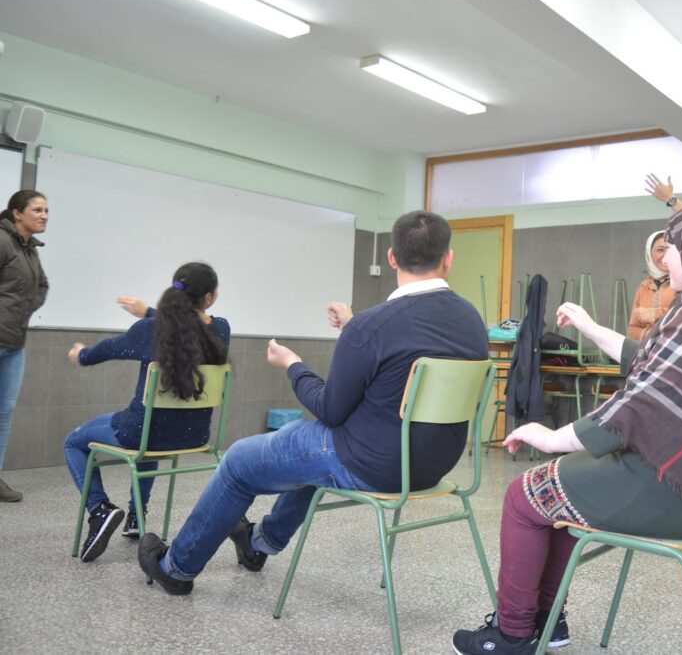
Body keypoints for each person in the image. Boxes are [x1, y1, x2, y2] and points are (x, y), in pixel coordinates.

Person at [452, 203, 682, 655]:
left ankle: (512, 634)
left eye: (673, 249)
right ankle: (549, 622)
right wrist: (590, 328)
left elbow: (637, 405)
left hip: (678, 493)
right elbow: (652, 362)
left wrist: (550, 438)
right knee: (567, 489)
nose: (665, 259)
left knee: (526, 494)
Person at [137, 210, 488, 596]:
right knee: (300, 442)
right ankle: (259, 544)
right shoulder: (471, 319)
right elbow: (405, 353)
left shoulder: (372, 326)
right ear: (448, 258)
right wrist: (355, 327)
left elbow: (330, 409)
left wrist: (292, 364)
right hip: (432, 466)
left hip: (374, 465)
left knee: (239, 460)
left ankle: (177, 567)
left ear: (391, 257)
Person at [63, 263, 230, 561]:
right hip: (195, 436)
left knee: (75, 442)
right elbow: (191, 327)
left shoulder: (149, 331)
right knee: (150, 434)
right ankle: (135, 518)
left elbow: (107, 350)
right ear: (209, 297)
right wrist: (149, 312)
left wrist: (82, 355)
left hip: (143, 433)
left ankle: (100, 509)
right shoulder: (221, 329)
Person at [0, 190, 49, 503]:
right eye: (37, 209)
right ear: (17, 213)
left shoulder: (30, 248)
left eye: (46, 210)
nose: (44, 215)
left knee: (4, 413)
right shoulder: (3, 241)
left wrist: (26, 307)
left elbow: (41, 285)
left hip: (15, 343)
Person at [626, 230, 672, 340]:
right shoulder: (645, 286)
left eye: (671, 250)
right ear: (649, 254)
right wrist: (649, 334)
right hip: (648, 353)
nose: (666, 255)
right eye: (660, 250)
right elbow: (632, 330)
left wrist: (654, 314)